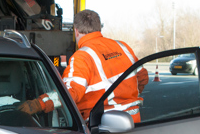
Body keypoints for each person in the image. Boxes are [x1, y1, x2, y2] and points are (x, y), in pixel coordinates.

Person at [19, 9, 148, 122]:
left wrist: (39, 104)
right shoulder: (122, 46)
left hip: (103, 126)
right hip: (133, 122)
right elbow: (143, 77)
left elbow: (70, 93)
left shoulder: (82, 56)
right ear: (99, 28)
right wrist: (127, 96)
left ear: (76, 31)